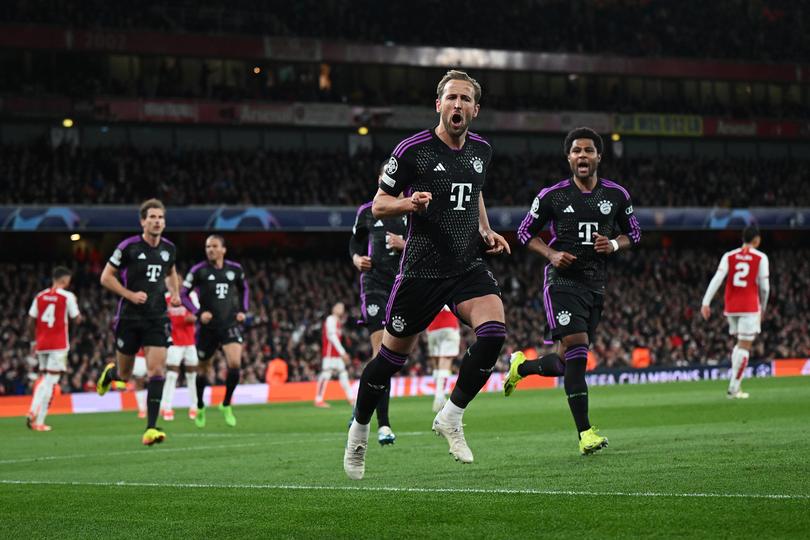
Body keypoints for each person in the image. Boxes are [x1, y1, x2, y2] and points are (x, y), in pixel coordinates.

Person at [344, 69, 510, 480]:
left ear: (475, 108)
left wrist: (485, 229)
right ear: (439, 104)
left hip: (466, 265)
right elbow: (379, 205)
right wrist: (409, 205)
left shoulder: (482, 151)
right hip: (421, 270)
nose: (458, 105)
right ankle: (359, 432)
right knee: (388, 361)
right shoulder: (412, 150)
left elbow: (475, 191)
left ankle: (451, 417)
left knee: (493, 334)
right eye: (451, 98)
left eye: (465, 99)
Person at [505, 126, 642, 455]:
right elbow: (524, 232)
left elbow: (634, 233)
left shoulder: (617, 195)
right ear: (568, 157)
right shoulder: (552, 196)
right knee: (579, 349)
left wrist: (613, 243)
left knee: (568, 362)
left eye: (588, 151)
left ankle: (521, 368)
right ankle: (585, 433)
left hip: (595, 286)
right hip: (561, 283)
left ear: (598, 157)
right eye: (577, 151)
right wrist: (551, 253)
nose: (583, 156)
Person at [96, 199, 180, 446]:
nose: (157, 221)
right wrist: (130, 295)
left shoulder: (169, 249)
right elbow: (105, 277)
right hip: (130, 317)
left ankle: (151, 428)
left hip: (157, 317)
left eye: (161, 218)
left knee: (157, 371)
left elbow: (171, 272)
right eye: (152, 217)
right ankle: (110, 375)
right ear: (143, 221)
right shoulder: (128, 247)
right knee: (125, 374)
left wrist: (174, 294)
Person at [349, 185, 408, 445]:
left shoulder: (411, 210)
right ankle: (383, 425)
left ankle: (360, 408)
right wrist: (355, 258)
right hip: (373, 287)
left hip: (402, 286)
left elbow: (428, 245)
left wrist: (403, 244)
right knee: (381, 355)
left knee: (388, 360)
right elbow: (355, 241)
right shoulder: (368, 211)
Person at [181, 235, 248, 428]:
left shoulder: (235, 270)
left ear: (223, 249)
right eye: (207, 246)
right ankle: (200, 405)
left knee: (235, 364)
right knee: (203, 370)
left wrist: (243, 310)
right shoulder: (198, 271)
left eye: (214, 246)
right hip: (207, 329)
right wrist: (198, 312)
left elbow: (244, 289)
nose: (210, 249)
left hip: (229, 324)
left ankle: (226, 404)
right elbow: (184, 294)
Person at [701, 225, 769, 399]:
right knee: (745, 346)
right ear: (757, 240)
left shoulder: (729, 256)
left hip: (731, 307)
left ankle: (734, 385)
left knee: (739, 345)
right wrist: (763, 307)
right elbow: (765, 288)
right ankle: (733, 389)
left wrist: (706, 302)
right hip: (749, 307)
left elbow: (718, 279)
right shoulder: (760, 258)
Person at [26, 266, 82, 431]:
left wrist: (32, 342)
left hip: (42, 344)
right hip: (58, 344)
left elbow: (30, 320)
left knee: (44, 379)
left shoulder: (40, 296)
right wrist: (78, 313)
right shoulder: (67, 296)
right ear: (64, 280)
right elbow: (76, 318)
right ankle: (39, 419)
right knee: (51, 382)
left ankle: (32, 411)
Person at [160, 289, 199, 420]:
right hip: (174, 342)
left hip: (190, 342)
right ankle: (166, 407)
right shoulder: (165, 298)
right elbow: (161, 317)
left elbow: (198, 313)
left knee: (192, 375)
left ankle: (194, 406)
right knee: (171, 375)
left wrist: (193, 318)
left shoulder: (190, 296)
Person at [314, 302, 354, 408]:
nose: (341, 309)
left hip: (336, 355)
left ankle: (351, 398)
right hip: (329, 353)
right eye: (339, 307)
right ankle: (318, 400)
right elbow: (332, 337)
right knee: (326, 375)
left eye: (342, 307)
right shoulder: (330, 319)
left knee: (343, 375)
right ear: (333, 309)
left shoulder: (338, 322)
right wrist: (343, 353)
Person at [426, 306, 461, 413]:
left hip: (432, 329)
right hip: (449, 325)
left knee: (437, 365)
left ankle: (439, 395)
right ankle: (439, 397)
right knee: (445, 362)